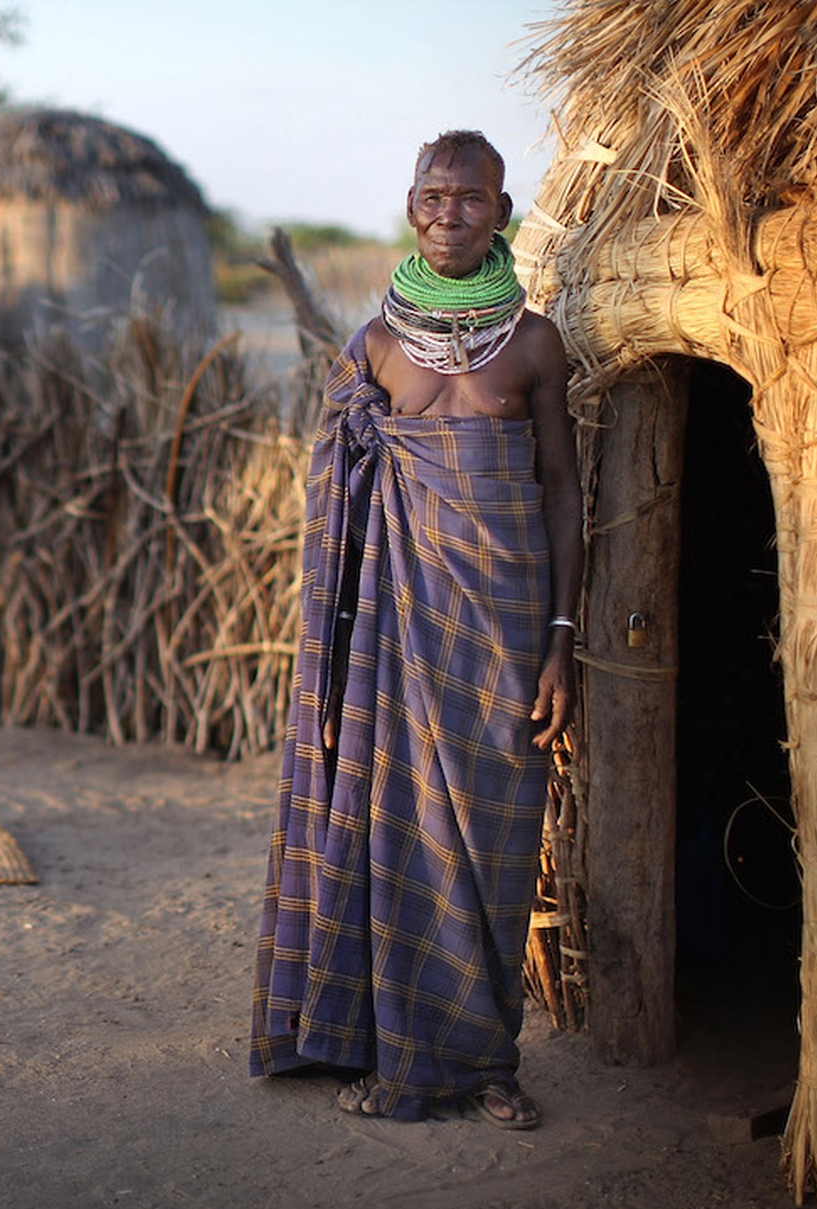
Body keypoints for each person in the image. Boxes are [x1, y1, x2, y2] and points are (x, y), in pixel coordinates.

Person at [249, 131, 583, 1131]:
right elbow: (338, 493)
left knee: (493, 842)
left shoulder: (533, 343)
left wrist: (562, 635)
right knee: (398, 826)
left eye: (470, 198)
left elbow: (564, 485)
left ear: (502, 209)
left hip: (508, 621)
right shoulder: (375, 348)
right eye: (433, 196)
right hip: (397, 632)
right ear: (408, 205)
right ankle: (398, 1045)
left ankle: (488, 1060)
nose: (450, 213)